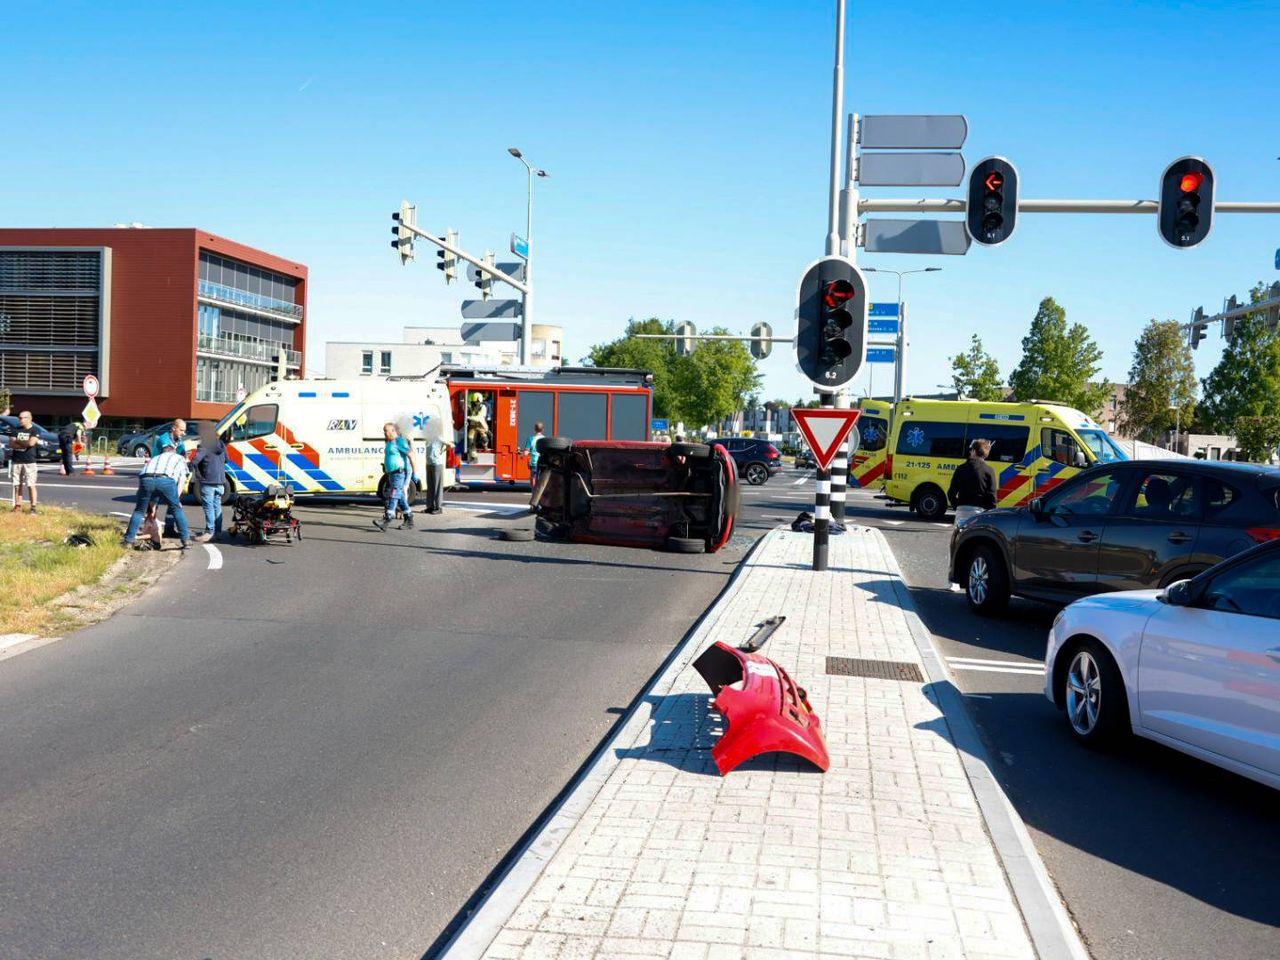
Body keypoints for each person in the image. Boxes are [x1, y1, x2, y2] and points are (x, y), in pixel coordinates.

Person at [121, 440, 192, 549]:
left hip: (146, 478)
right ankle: (186, 540)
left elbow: (144, 478)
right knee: (176, 509)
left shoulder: (155, 458)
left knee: (139, 511)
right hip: (165, 480)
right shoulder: (179, 458)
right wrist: (177, 499)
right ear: (174, 452)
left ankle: (128, 541)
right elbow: (182, 479)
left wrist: (151, 508)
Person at [373, 421, 418, 531]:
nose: (384, 433)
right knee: (401, 497)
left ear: (393, 430)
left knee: (393, 494)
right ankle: (409, 518)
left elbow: (411, 455)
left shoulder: (400, 441)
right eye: (384, 431)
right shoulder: (390, 442)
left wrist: (415, 472)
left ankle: (387, 519)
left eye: (386, 431)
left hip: (399, 473)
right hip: (392, 474)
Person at [191, 422, 228, 540]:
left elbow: (196, 460)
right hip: (221, 481)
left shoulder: (205, 445)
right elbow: (227, 459)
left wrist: (189, 465)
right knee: (217, 506)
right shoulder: (222, 444)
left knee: (208, 507)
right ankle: (218, 532)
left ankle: (209, 532)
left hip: (208, 481)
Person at [948, 438, 997, 511]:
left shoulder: (961, 468)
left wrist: (956, 506)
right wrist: (988, 511)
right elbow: (992, 497)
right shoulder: (989, 471)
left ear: (973, 451)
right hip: (980, 511)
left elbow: (951, 493)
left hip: (962, 509)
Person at [9, 410, 41, 514]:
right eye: (20, 418)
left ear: (30, 418)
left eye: (24, 418)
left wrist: (18, 441)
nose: (21, 420)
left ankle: (33, 507)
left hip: (29, 461)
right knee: (17, 485)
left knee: (31, 485)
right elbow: (12, 444)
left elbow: (31, 443)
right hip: (17, 461)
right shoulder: (15, 430)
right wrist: (24, 443)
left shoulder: (35, 430)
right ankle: (18, 506)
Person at [422, 430, 454, 515]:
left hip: (437, 464)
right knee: (430, 486)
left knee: (437, 486)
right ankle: (430, 506)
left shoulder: (438, 436)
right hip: (429, 463)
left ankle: (438, 507)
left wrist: (443, 450)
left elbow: (451, 445)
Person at [524, 420, 546, 506]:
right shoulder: (545, 439)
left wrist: (524, 453)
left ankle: (534, 504)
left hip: (534, 464)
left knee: (533, 483)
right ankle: (541, 502)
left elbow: (526, 453)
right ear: (543, 429)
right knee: (541, 483)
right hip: (543, 464)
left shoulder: (531, 439)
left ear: (534, 429)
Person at [466, 394, 489, 461]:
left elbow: (479, 418)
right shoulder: (471, 406)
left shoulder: (483, 407)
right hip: (473, 426)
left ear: (480, 400)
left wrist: (469, 417)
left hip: (481, 425)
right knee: (470, 440)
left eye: (476, 402)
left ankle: (485, 446)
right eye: (473, 402)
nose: (475, 403)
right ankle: (473, 456)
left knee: (484, 439)